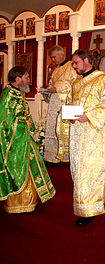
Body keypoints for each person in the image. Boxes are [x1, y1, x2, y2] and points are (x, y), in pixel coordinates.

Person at [70, 49, 105, 226]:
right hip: (77, 133)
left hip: (94, 132)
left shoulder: (102, 79)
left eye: (76, 63)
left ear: (86, 60)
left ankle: (89, 210)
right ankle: (95, 196)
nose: (74, 67)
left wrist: (88, 116)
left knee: (89, 170)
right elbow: (72, 103)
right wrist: (67, 112)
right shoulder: (76, 82)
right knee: (77, 169)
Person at [0, 66, 56, 213]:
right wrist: (24, 123)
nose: (29, 81)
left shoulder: (18, 93)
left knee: (31, 167)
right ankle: (17, 204)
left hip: (24, 140)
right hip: (15, 144)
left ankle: (29, 201)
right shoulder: (8, 96)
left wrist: (30, 129)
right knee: (19, 171)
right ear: (17, 79)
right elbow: (4, 122)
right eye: (26, 78)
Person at [43, 45, 77, 164]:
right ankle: (52, 157)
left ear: (61, 55)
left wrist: (57, 89)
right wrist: (47, 90)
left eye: (54, 57)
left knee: (63, 129)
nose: (52, 60)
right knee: (52, 128)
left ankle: (66, 157)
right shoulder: (56, 69)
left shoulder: (72, 67)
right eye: (51, 58)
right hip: (54, 102)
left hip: (64, 102)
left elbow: (75, 84)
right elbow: (52, 83)